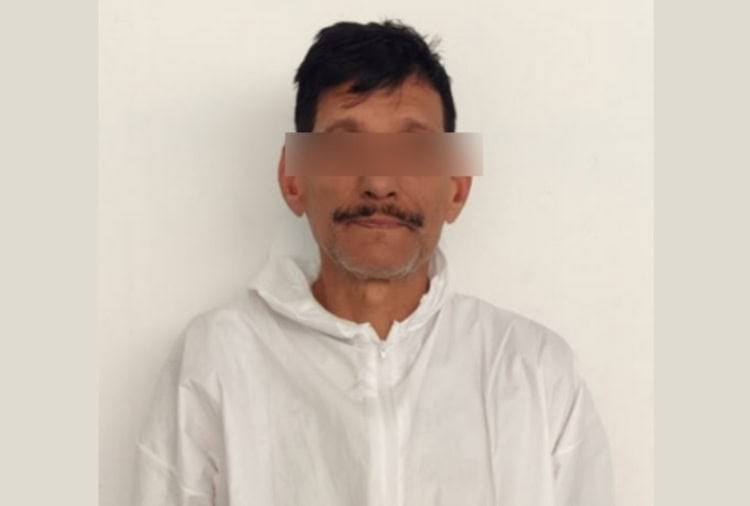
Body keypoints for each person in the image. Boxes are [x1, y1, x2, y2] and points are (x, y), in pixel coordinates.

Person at [132, 19, 614, 506]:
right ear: (293, 177)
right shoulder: (217, 359)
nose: (379, 182)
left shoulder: (535, 371)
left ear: (457, 186)